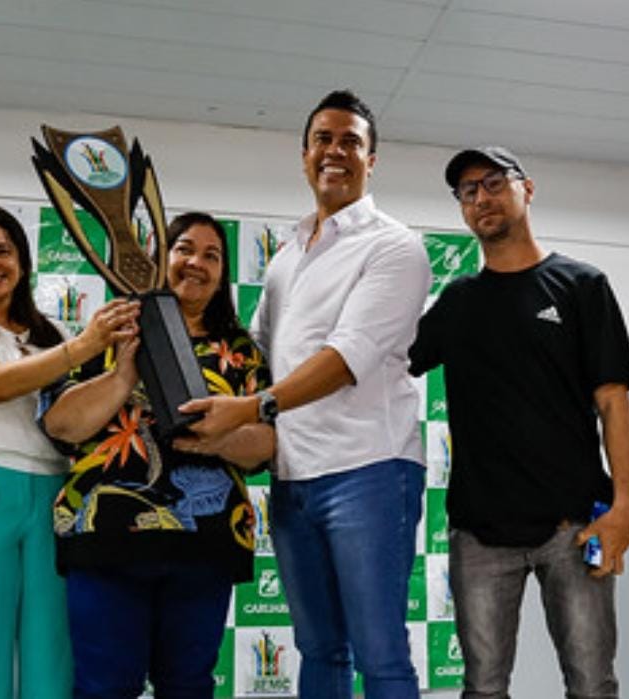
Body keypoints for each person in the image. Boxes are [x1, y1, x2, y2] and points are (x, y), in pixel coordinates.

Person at [180, 91, 432, 699]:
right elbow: (259, 359)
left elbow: (347, 358)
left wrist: (252, 408)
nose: (336, 151)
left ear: (373, 160)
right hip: (295, 477)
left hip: (370, 470)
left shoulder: (396, 245)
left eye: (352, 141)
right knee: (319, 650)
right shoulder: (286, 257)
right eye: (324, 139)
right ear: (304, 155)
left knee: (381, 654)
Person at [408, 146, 629, 698]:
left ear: (526, 189)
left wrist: (626, 506)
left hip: (574, 526)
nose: (481, 198)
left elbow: (613, 402)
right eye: (467, 192)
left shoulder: (581, 286)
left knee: (592, 685)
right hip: (480, 535)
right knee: (483, 688)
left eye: (492, 183)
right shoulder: (457, 303)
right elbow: (385, 361)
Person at [40, 212, 274, 699]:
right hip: (105, 538)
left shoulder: (242, 352)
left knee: (187, 686)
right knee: (105, 687)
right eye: (184, 248)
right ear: (157, 259)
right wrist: (123, 375)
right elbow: (61, 426)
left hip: (204, 543)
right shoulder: (105, 333)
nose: (196, 262)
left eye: (212, 255)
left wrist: (221, 438)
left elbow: (268, 445)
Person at [0, 204, 139, 699]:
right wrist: (84, 347)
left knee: (51, 656)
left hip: (56, 495)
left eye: (2, 251)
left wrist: (124, 367)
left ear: (22, 261)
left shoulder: (51, 334)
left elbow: (78, 414)